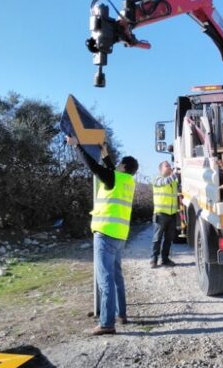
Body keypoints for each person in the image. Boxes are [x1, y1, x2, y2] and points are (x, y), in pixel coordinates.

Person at [66, 135, 138, 336]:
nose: (117, 165)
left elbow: (94, 167)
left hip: (105, 233)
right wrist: (106, 156)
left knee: (105, 279)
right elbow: (110, 171)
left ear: (123, 167)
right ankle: (121, 314)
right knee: (116, 277)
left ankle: (107, 323)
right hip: (119, 235)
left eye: (119, 163)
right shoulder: (128, 181)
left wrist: (77, 146)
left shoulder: (114, 178)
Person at [151, 161, 179, 268]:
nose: (170, 167)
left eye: (170, 165)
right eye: (167, 166)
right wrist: (176, 174)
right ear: (161, 169)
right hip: (161, 214)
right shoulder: (157, 179)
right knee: (157, 238)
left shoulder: (173, 182)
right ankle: (153, 260)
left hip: (172, 214)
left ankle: (165, 259)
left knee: (169, 239)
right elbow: (166, 181)